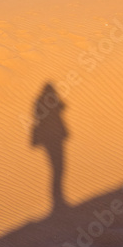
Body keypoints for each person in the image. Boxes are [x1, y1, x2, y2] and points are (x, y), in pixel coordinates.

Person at [30, 83, 69, 212]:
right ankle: (57, 199)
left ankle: (58, 198)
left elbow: (63, 107)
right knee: (58, 168)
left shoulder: (41, 101)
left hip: (51, 140)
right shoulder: (46, 101)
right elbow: (62, 107)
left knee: (58, 168)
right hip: (53, 140)